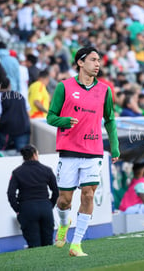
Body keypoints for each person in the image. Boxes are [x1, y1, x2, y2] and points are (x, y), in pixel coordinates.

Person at [46, 46, 119, 257]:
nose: (98, 64)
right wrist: (64, 121)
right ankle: (63, 223)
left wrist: (114, 145)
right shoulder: (64, 87)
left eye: (99, 61)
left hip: (94, 151)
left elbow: (110, 120)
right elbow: (50, 117)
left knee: (88, 195)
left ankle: (76, 244)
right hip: (69, 151)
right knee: (64, 200)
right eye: (94, 60)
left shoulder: (104, 90)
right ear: (80, 62)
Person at [7, 144, 59, 248]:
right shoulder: (46, 170)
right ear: (35, 155)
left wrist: (18, 209)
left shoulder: (17, 172)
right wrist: (49, 205)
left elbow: (10, 193)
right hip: (45, 207)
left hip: (27, 209)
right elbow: (56, 191)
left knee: (34, 245)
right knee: (48, 244)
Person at [0, 77, 31, 151]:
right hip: (23, 130)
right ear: (9, 85)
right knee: (23, 154)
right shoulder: (20, 95)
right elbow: (28, 113)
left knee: (3, 154)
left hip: (6, 131)